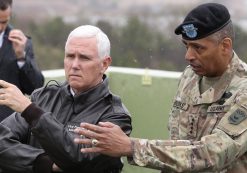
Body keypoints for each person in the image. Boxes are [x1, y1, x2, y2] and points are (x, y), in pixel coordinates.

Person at [73, 3, 247, 173]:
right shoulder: (190, 77)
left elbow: (213, 154)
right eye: (186, 46)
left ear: (225, 46)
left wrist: (132, 147)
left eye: (198, 48)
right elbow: (178, 143)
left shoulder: (243, 89)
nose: (188, 56)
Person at [0, 25, 132, 173]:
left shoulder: (115, 115)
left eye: (84, 57)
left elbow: (78, 160)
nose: (74, 65)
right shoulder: (43, 97)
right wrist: (44, 164)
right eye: (70, 56)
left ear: (105, 64)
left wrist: (30, 110)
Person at [0, 0, 44, 120]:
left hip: (8, 126)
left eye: (3, 22)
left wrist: (21, 56)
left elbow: (35, 88)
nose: (0, 27)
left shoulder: (23, 42)